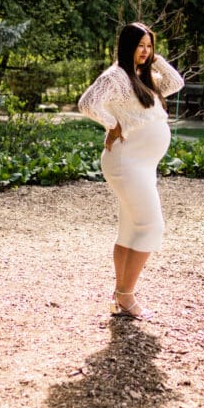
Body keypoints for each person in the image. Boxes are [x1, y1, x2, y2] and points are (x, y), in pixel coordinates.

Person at [78, 22, 184, 320]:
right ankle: (126, 296)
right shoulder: (115, 76)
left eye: (149, 46)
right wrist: (114, 124)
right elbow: (87, 103)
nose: (145, 51)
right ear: (127, 46)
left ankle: (120, 294)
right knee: (152, 226)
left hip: (143, 164)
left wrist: (156, 59)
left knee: (130, 229)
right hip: (127, 163)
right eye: (140, 46)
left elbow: (176, 83)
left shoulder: (145, 75)